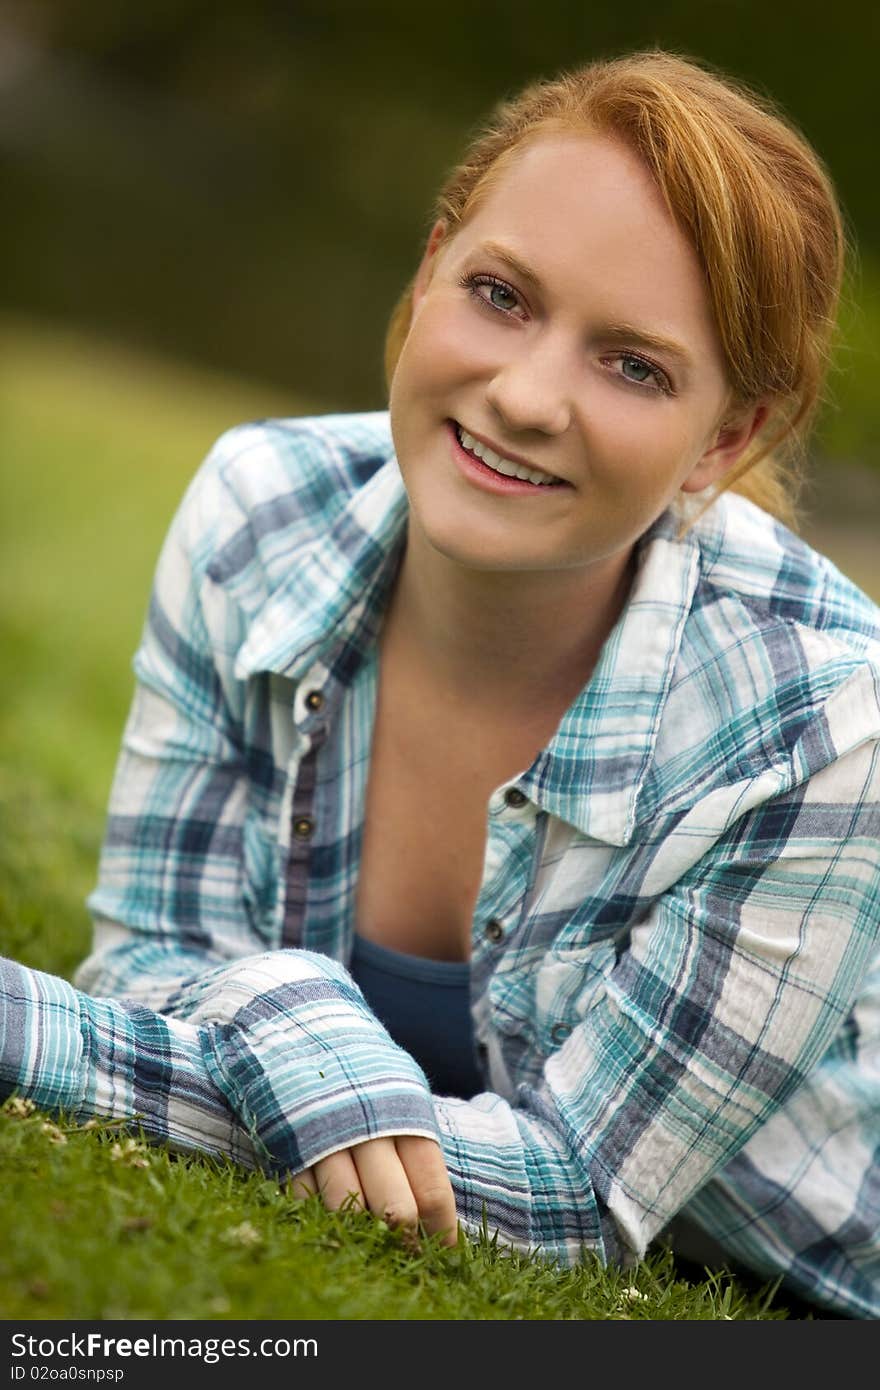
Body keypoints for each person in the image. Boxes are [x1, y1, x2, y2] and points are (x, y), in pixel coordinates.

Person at [2, 50, 878, 1319]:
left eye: (633, 365)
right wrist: (280, 998)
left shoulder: (826, 721)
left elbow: (575, 1197)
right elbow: (154, 955)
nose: (524, 397)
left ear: (728, 438)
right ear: (428, 274)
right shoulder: (258, 514)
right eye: (500, 294)